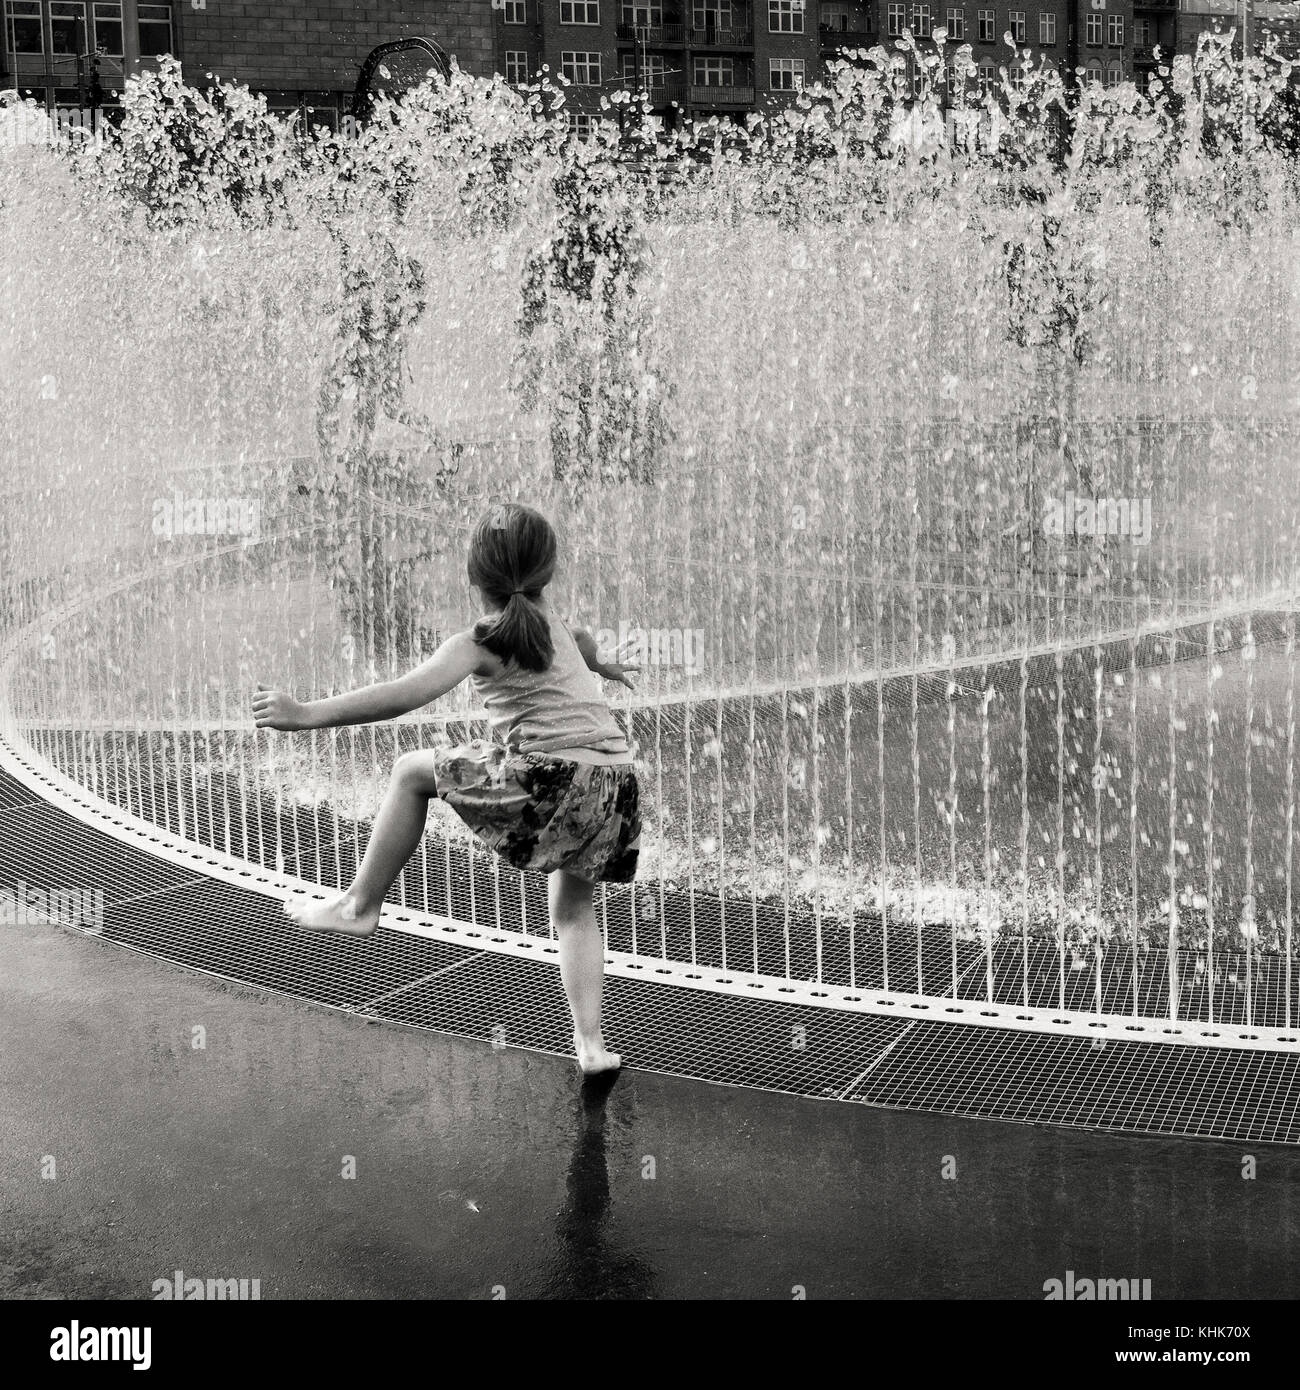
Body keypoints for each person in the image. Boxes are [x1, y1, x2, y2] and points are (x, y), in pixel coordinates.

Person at [252, 503, 640, 1075]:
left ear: (474, 577)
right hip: (617, 789)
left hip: (556, 784)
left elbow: (401, 695)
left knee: (412, 772)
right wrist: (602, 666)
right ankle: (591, 1046)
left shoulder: (478, 642)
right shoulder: (563, 628)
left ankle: (360, 904)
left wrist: (305, 713)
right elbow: (581, 648)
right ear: (548, 571)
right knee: (575, 908)